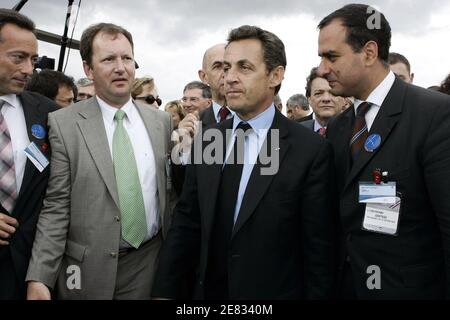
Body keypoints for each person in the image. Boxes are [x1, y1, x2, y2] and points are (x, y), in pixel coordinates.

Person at [152, 25, 336, 300]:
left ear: (276, 75)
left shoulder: (309, 150)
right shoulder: (209, 138)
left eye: (244, 67)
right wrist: (164, 291)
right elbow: (187, 222)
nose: (230, 78)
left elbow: (318, 250)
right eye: (226, 68)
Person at [25, 22, 173, 299]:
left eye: (126, 58)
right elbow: (56, 205)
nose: (120, 67)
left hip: (149, 264)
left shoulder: (160, 122)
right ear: (88, 69)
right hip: (84, 271)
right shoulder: (64, 123)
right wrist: (40, 277)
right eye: (108, 59)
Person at [318, 4, 450, 299]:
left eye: (331, 57)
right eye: (321, 58)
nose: (322, 69)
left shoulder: (434, 115)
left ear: (368, 52)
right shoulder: (340, 127)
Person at [0, 9, 58, 299]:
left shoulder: (48, 113)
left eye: (33, 60)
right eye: (18, 57)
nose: (28, 69)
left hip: (24, 272)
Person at [301, 67, 341, 135]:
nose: (326, 99)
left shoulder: (357, 131)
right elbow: (275, 144)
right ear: (309, 99)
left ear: (344, 98)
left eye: (333, 93)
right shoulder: (295, 131)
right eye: (318, 93)